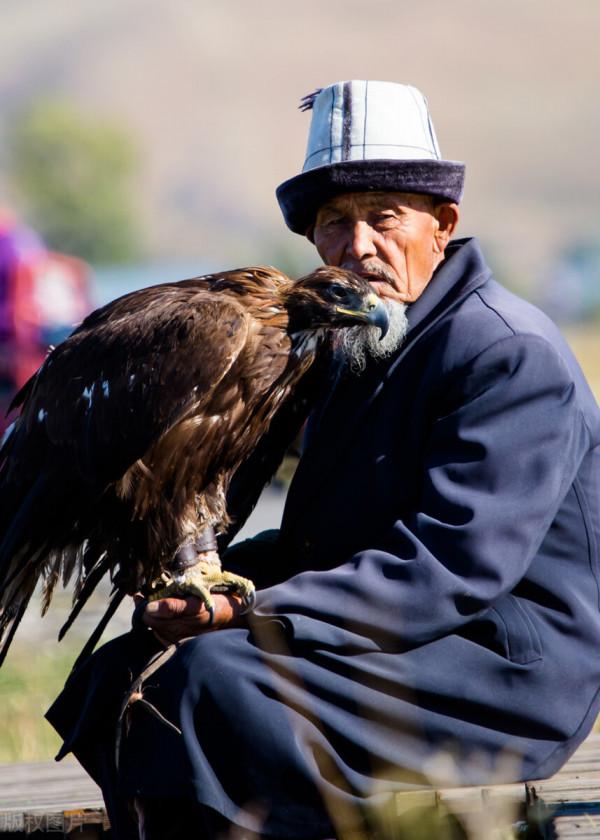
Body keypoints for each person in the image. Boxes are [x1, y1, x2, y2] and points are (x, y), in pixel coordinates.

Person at [47, 81, 600, 839]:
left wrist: (249, 609)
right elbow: (324, 541)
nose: (358, 245)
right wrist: (206, 580)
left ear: (443, 225)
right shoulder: (352, 347)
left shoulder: (505, 352)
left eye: (384, 217)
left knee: (217, 681)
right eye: (336, 223)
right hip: (399, 630)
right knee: (120, 674)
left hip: (499, 664)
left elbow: (449, 566)